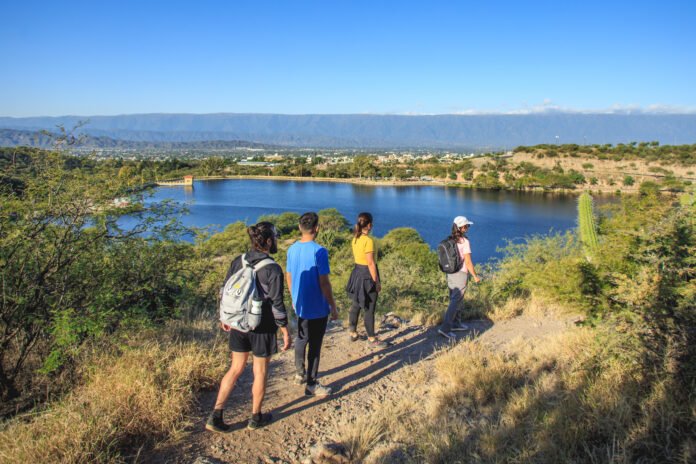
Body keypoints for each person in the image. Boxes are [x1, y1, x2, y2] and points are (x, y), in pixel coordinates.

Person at [206, 221, 292, 433]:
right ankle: (255, 417)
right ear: (269, 241)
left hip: (238, 323)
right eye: (275, 238)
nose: (276, 241)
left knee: (235, 368)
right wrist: (284, 329)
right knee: (260, 370)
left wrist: (225, 317)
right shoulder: (273, 268)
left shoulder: (239, 260)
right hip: (262, 325)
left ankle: (216, 415)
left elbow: (225, 289)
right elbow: (277, 303)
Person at [286, 212, 339, 396]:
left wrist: (294, 298)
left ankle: (299, 373)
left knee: (302, 338)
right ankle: (311, 384)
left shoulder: (292, 249)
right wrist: (333, 306)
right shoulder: (320, 251)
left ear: (300, 227)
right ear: (317, 228)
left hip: (300, 304)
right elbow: (324, 283)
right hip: (317, 306)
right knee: (315, 344)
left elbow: (289, 276)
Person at [346, 212, 389, 348]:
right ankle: (371, 338)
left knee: (356, 303)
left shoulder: (355, 238)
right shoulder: (368, 241)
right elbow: (370, 263)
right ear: (369, 225)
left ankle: (353, 332)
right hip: (367, 275)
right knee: (369, 307)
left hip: (357, 273)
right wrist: (376, 282)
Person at [438, 215, 481, 341]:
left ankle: (456, 324)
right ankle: (445, 329)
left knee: (455, 299)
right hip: (461, 274)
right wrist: (475, 276)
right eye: (466, 226)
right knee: (455, 301)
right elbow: (468, 262)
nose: (468, 228)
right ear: (461, 227)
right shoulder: (464, 242)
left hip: (450, 273)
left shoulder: (450, 240)